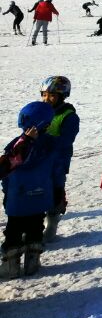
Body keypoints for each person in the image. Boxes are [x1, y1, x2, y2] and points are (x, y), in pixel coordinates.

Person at [1, 101, 57, 278]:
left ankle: (11, 265)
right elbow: (56, 170)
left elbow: (7, 170)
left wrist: (6, 194)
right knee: (35, 227)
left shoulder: (18, 146)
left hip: (18, 197)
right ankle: (32, 262)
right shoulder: (50, 144)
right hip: (41, 196)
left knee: (14, 231)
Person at [38, 76, 78, 243]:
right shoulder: (40, 111)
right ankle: (36, 224)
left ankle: (52, 223)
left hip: (58, 162)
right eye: (44, 95)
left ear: (62, 96)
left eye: (52, 95)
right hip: (39, 160)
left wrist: (45, 141)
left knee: (55, 190)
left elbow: (66, 140)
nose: (47, 99)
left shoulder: (69, 116)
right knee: (38, 190)